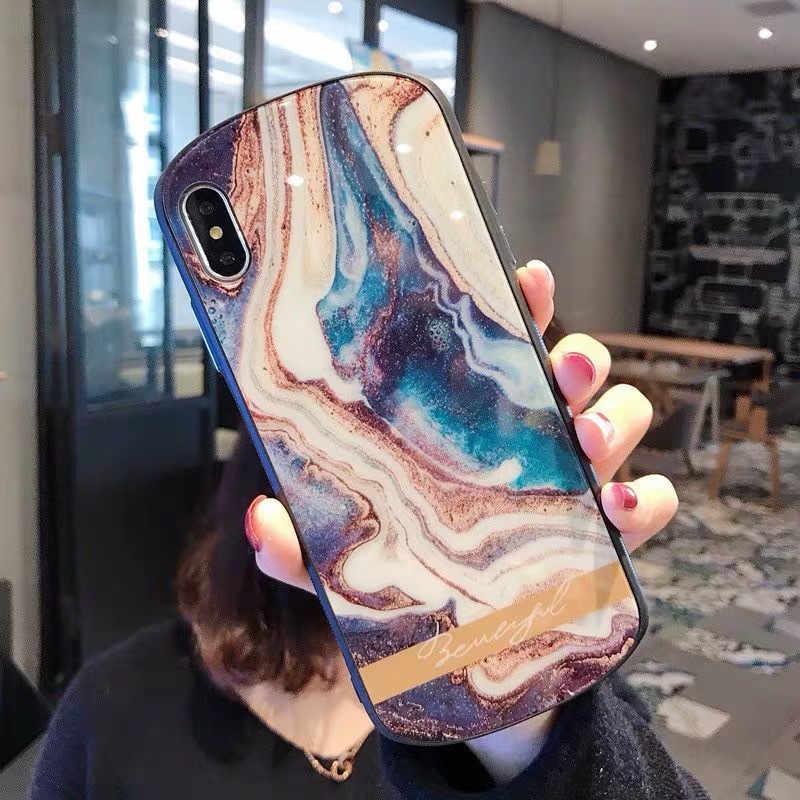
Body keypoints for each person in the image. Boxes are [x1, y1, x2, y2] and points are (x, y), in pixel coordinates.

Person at [31, 261, 703, 799]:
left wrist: (513, 704)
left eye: (475, 437)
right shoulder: (112, 715)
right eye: (389, 419)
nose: (432, 482)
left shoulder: (564, 713)